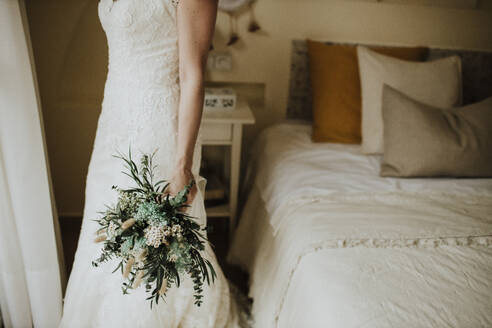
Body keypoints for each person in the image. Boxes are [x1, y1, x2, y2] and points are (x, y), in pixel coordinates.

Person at [59, 0, 242, 326]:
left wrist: (182, 165)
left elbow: (193, 76)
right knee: (101, 231)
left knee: (156, 239)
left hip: (158, 130)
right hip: (114, 124)